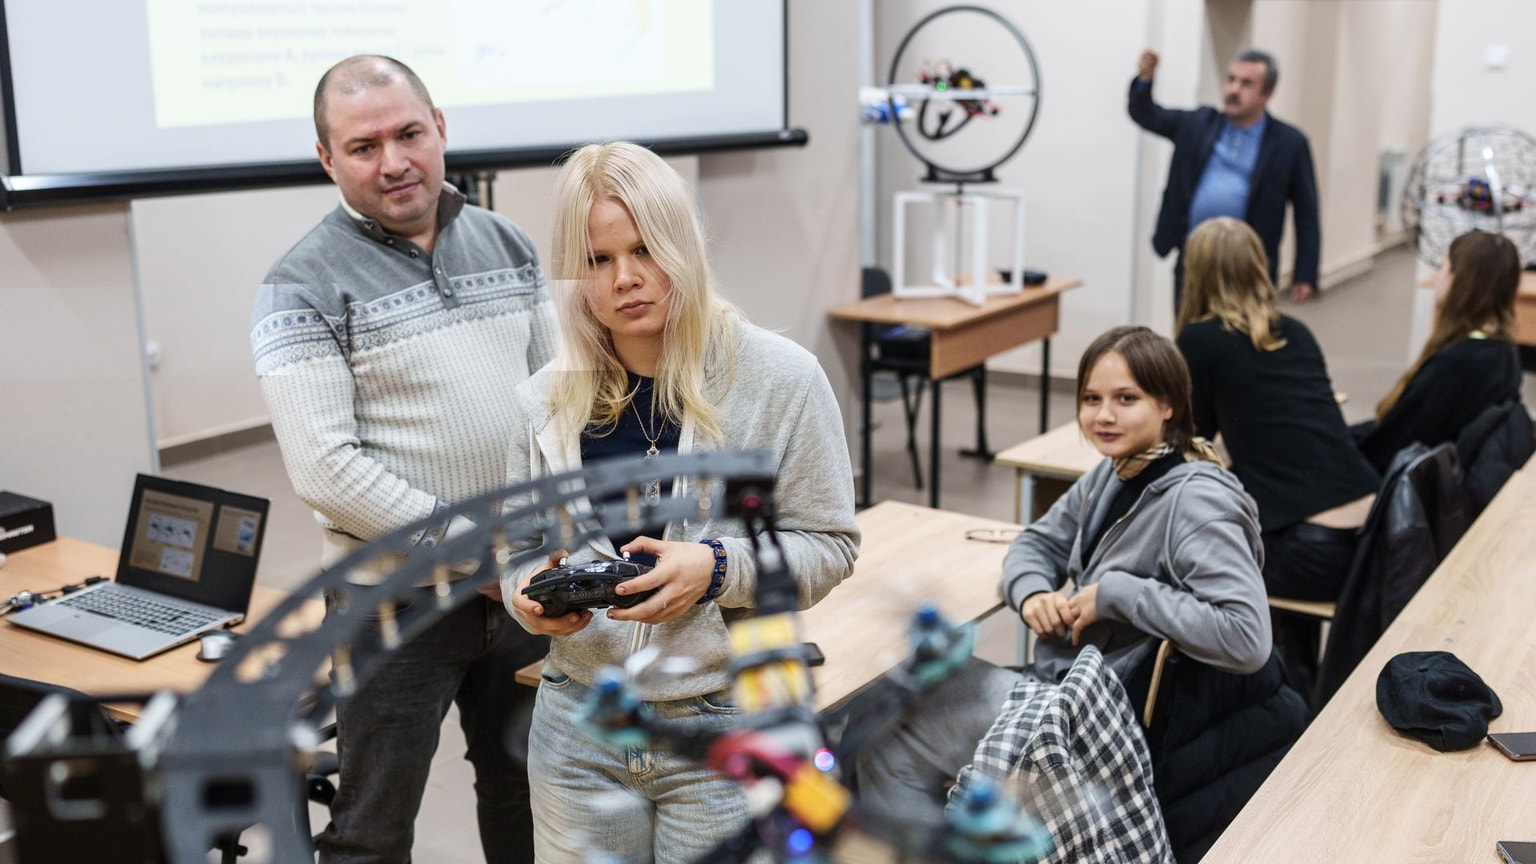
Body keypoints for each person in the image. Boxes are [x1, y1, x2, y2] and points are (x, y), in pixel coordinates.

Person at [501, 141, 860, 863]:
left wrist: (719, 567)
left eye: (644, 249)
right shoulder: (545, 401)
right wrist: (526, 592)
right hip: (578, 727)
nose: (625, 279)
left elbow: (831, 545)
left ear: (684, 245)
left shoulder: (781, 380)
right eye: (598, 261)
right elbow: (521, 547)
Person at [249, 55, 557, 863]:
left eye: (409, 133)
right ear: (328, 159)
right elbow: (328, 470)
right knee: (372, 830)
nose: (394, 161)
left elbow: (560, 405)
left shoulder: (509, 243)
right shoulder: (298, 286)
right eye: (363, 146)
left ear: (441, 129)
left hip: (526, 588)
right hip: (393, 609)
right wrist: (476, 557)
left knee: (527, 792)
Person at [855, 325, 1271, 824]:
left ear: (1169, 406)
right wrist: (1032, 594)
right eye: (1091, 399)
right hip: (1068, 685)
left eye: (1125, 398)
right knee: (889, 712)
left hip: (1096, 718)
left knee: (881, 727)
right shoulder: (1115, 471)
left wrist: (1116, 594)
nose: (1104, 415)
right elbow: (1036, 542)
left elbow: (1247, 638)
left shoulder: (1197, 501)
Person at [1174, 217, 1378, 695]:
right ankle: (1295, 684)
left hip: (1309, 553)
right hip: (1368, 540)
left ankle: (1239, 704)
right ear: (1260, 268)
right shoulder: (1297, 330)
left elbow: (1191, 444)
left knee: (1175, 561)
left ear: (1195, 273)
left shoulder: (1200, 340)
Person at [1129, 47, 1321, 309]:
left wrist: (1305, 273)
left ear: (1267, 94)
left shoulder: (1289, 143)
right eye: (1231, 80)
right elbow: (1147, 114)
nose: (1233, 89)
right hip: (1194, 261)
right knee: (1190, 340)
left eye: (1246, 84)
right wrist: (1144, 80)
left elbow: (1306, 212)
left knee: (1245, 343)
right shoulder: (1198, 124)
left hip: (1250, 266)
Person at [1354, 229, 1525, 473]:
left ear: (1460, 280)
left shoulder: (1457, 364)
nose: (1436, 278)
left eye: (1443, 267)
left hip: (1408, 481)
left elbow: (1388, 447)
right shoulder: (1504, 352)